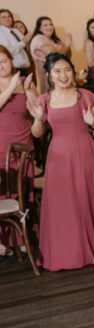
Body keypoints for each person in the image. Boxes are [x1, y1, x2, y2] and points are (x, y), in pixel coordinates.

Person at [26, 53, 94, 271]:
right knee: (62, 204)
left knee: (86, 198)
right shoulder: (44, 100)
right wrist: (38, 119)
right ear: (49, 75)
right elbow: (37, 133)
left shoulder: (84, 95)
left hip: (84, 152)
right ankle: (67, 253)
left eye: (67, 70)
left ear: (73, 72)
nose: (63, 75)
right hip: (58, 157)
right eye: (57, 71)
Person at [0, 46, 36, 255]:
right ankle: (3, 240)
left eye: (4, 61)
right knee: (4, 189)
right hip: (0, 145)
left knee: (23, 190)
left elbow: (38, 110)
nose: (1, 66)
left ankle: (23, 236)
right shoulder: (13, 83)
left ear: (11, 61)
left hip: (23, 143)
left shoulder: (24, 80)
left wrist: (29, 90)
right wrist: (10, 88)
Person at [29, 17, 72, 94]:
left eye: (51, 24)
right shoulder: (39, 39)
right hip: (48, 74)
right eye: (45, 25)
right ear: (39, 28)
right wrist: (66, 45)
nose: (49, 27)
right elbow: (54, 56)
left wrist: (67, 46)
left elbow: (67, 55)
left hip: (61, 73)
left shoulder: (55, 40)